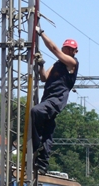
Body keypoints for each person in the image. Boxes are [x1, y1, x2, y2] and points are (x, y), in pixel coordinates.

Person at [30, 27, 79, 173]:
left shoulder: (72, 64)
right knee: (48, 130)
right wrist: (41, 65)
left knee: (35, 111)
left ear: (75, 52)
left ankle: (35, 144)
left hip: (56, 101)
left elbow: (53, 48)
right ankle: (42, 163)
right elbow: (45, 77)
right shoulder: (56, 65)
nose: (66, 51)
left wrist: (41, 32)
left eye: (70, 49)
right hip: (48, 99)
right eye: (66, 48)